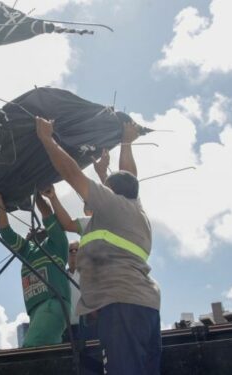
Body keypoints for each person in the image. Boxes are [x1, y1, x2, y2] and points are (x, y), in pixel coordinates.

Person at [36, 117, 161, 375]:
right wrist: (121, 148)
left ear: (111, 193)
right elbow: (128, 179)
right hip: (140, 305)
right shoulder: (132, 212)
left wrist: (46, 140)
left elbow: (72, 174)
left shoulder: (114, 205)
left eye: (105, 186)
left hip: (121, 306)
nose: (101, 188)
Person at [0, 184, 71, 347]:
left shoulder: (58, 244)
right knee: (47, 355)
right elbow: (6, 232)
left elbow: (47, 214)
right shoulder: (27, 251)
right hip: (36, 312)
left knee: (31, 348)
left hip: (53, 303)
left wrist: (35, 193)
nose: (31, 232)